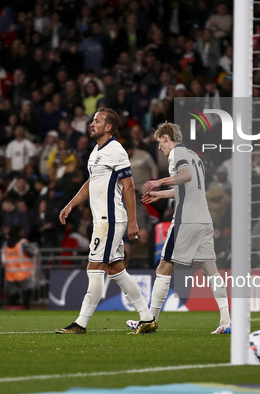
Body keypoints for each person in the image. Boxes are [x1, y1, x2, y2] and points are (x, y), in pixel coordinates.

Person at [55, 108, 157, 335]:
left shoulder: (116, 150)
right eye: (92, 120)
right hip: (103, 220)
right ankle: (147, 318)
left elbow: (129, 186)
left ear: (108, 127)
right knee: (115, 269)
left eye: (97, 121)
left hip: (110, 219)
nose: (92, 124)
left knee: (94, 267)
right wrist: (71, 204)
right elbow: (92, 182)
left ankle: (80, 323)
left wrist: (133, 222)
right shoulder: (96, 151)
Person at [127, 122, 232, 334]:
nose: (159, 148)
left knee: (164, 268)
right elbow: (185, 189)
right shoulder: (195, 157)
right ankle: (226, 320)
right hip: (203, 220)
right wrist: (160, 194)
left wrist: (158, 183)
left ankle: (149, 321)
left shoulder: (177, 154)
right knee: (210, 269)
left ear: (167, 138)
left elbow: (185, 176)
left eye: (159, 142)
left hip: (186, 221)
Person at [1, 225, 38, 308]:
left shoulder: (6, 244)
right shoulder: (22, 242)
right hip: (24, 275)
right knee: (25, 299)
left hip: (11, 275)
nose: (23, 232)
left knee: (12, 300)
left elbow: (3, 259)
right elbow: (33, 252)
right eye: (21, 230)